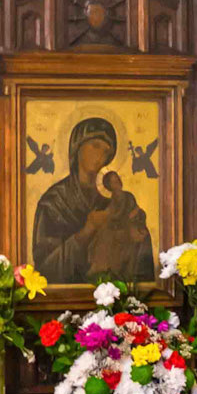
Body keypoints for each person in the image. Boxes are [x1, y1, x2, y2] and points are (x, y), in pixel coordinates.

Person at [31, 116, 155, 284]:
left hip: (114, 295)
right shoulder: (54, 202)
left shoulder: (119, 200)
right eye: (95, 146)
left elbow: (142, 259)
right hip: (65, 296)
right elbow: (45, 269)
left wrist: (133, 235)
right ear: (77, 148)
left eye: (107, 151)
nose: (100, 155)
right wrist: (86, 231)